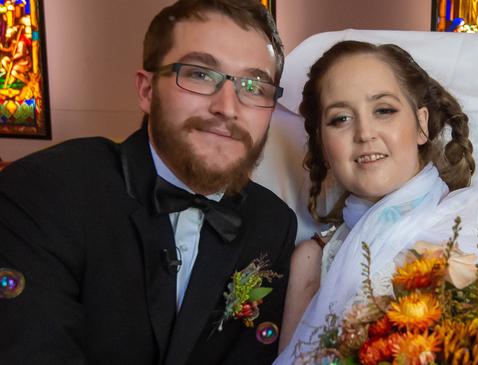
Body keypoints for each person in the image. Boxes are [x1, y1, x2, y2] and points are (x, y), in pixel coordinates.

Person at [0, 0, 296, 364]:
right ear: (147, 90)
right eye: (200, 74)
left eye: (254, 86)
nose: (227, 107)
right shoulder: (45, 191)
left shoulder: (273, 223)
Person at [275, 40, 478, 363]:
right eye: (341, 119)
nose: (364, 133)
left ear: (421, 125)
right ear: (321, 141)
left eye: (384, 110)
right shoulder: (313, 259)